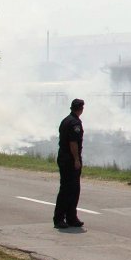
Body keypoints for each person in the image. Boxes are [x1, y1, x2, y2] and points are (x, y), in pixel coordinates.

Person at [54, 98, 85, 229]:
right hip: (70, 159)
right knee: (68, 189)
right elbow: (73, 143)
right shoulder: (74, 123)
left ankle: (71, 217)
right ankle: (60, 218)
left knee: (73, 189)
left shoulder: (66, 120)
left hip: (64, 157)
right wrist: (76, 159)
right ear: (81, 109)